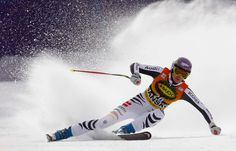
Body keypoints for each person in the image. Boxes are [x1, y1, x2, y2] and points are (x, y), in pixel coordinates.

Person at [47, 57, 221, 141]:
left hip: (151, 112)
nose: (179, 77)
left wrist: (211, 123)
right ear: (172, 69)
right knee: (103, 123)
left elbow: (202, 107)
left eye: (184, 75)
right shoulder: (161, 72)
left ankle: (124, 131)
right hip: (137, 103)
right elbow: (136, 65)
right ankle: (62, 133)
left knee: (160, 113)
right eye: (178, 72)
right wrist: (136, 75)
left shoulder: (184, 90)